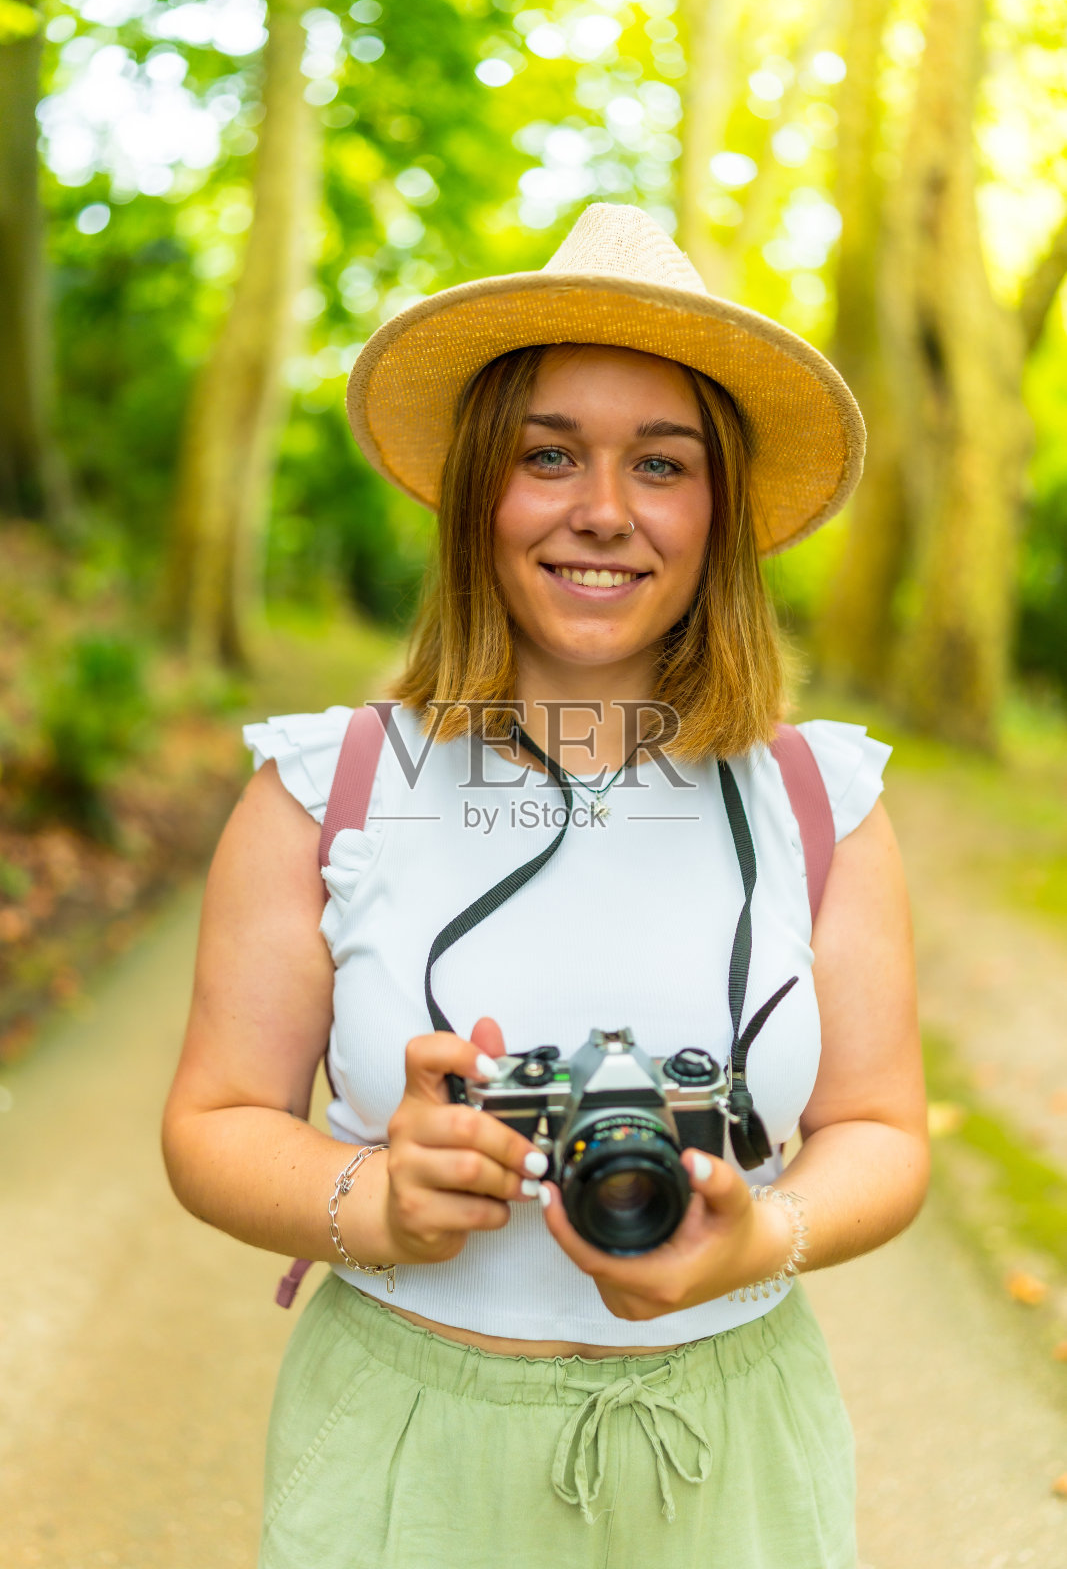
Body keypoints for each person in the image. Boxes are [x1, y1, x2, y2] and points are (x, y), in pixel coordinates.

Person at [162, 202, 928, 1569]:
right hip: (406, 1454)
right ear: (478, 493)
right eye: (549, 454)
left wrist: (761, 1237)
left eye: (664, 463)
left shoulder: (819, 803)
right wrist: (375, 1201)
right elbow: (214, 1123)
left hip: (733, 1459)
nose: (604, 512)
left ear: (721, 508)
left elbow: (883, 1128)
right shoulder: (323, 787)